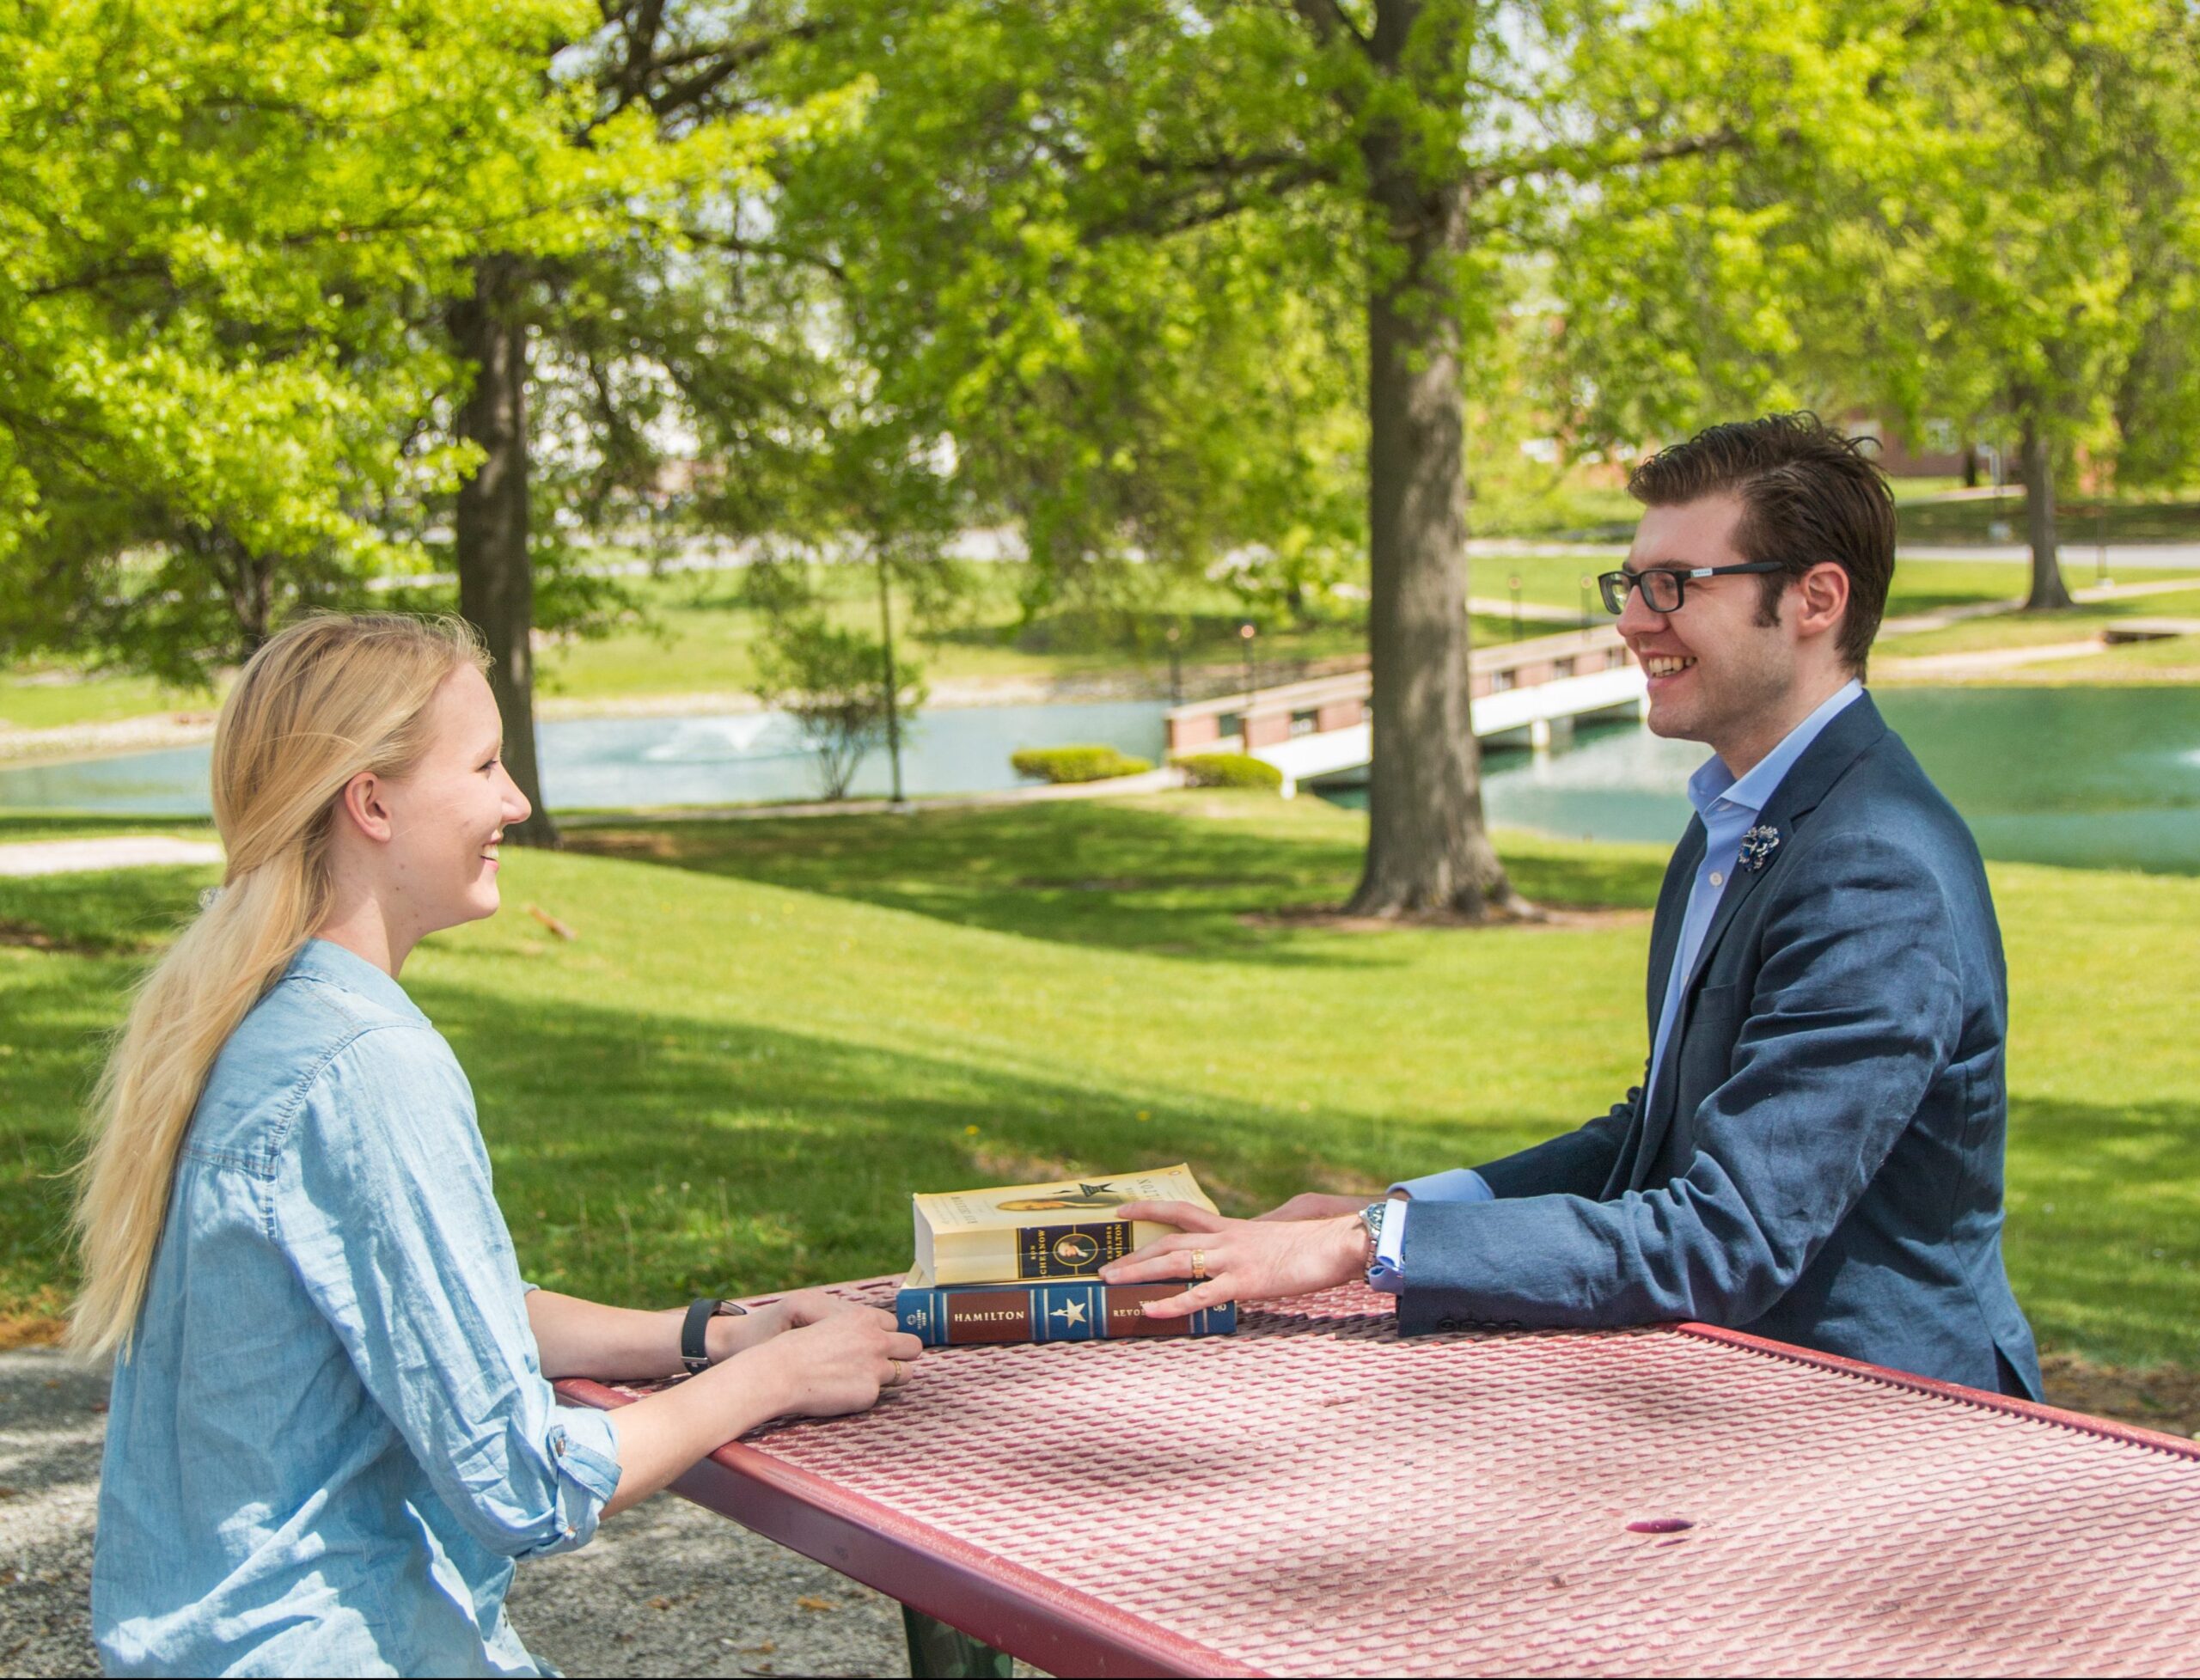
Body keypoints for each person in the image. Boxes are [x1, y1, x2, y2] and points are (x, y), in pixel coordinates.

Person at [1102, 414, 2042, 1400]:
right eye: (1629, 584)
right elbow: (1655, 1139)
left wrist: (1365, 1247)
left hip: (1894, 1430)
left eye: (1674, 584)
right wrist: (1401, 1213)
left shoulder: (1872, 867)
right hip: (1739, 1399)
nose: (1634, 619)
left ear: (1814, 599)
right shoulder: (1737, 817)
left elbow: (1728, 1235)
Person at [76, 614, 923, 1677]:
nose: (515, 801)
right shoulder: (364, 1061)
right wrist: (778, 1377)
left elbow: (441, 1310)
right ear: (370, 801)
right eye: (483, 764)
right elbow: (523, 1480)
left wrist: (707, 1335)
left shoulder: (256, 1012)